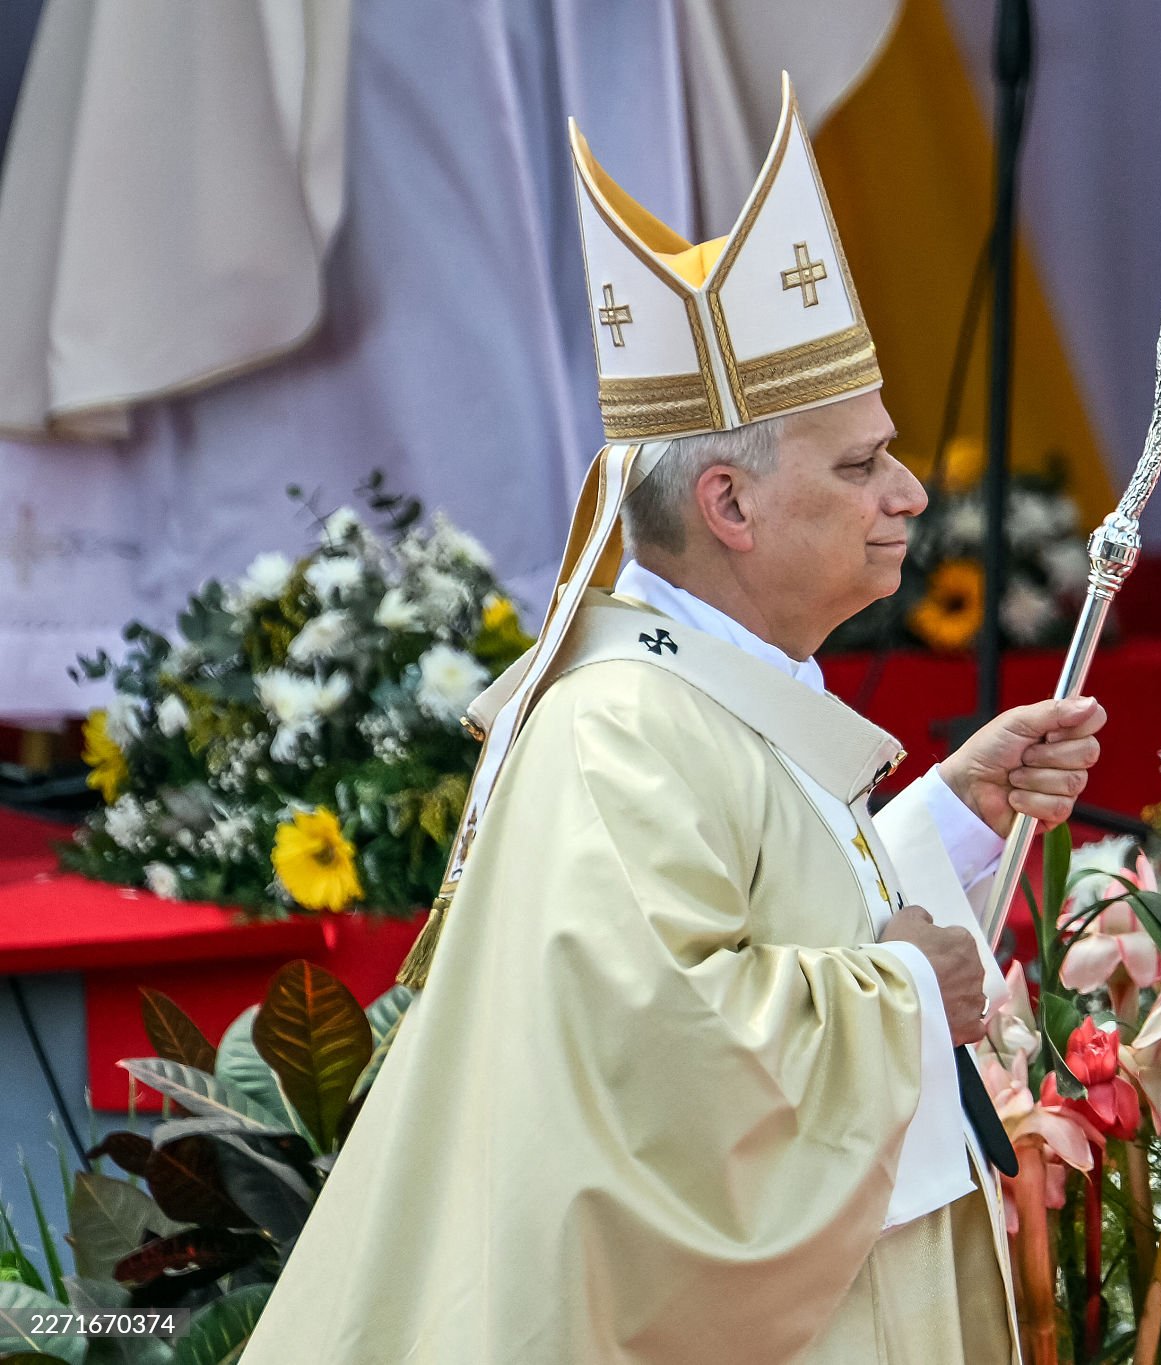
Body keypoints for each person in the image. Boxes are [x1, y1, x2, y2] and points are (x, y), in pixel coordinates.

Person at [239, 74, 1105, 1365]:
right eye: (862, 464)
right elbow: (667, 1050)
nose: (913, 493)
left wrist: (945, 821)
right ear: (730, 505)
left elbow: (768, 922)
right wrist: (916, 986)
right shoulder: (623, 728)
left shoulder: (722, 682)